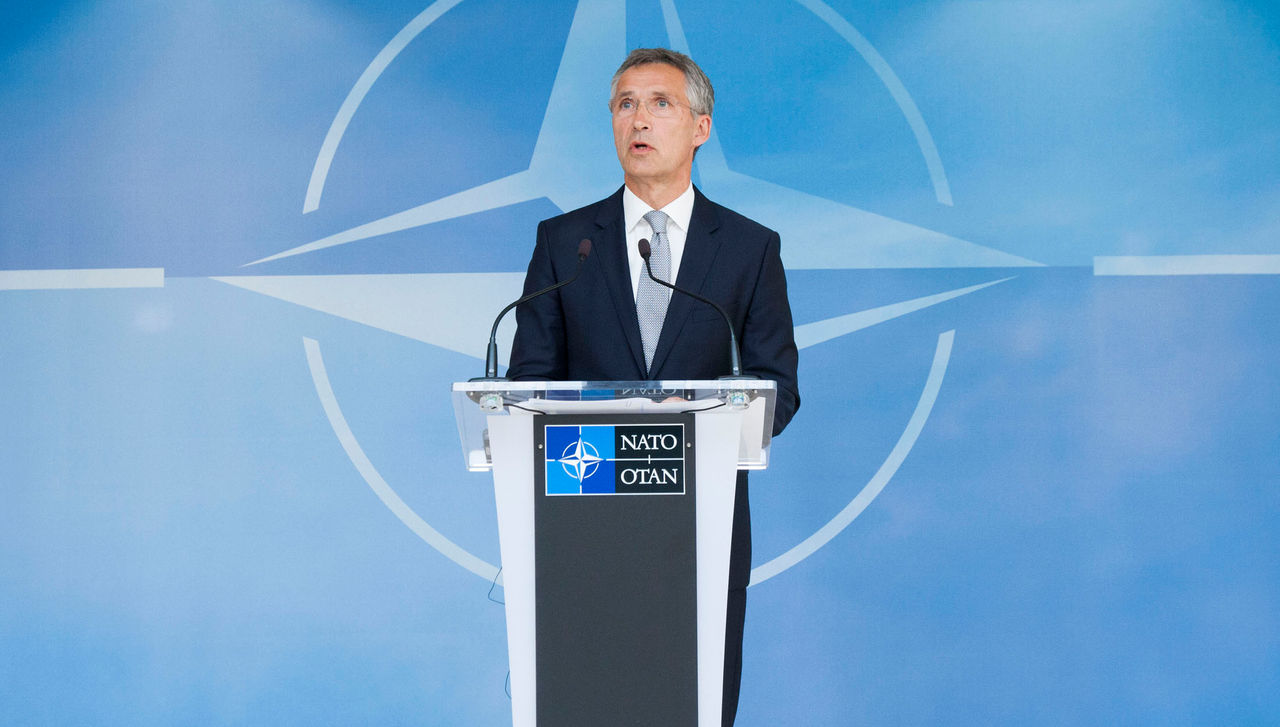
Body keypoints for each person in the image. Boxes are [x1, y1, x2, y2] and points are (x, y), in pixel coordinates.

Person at [507, 47, 800, 726]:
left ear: (700, 127)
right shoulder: (565, 243)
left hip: (702, 530)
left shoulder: (749, 248)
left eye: (660, 103)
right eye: (625, 104)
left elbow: (777, 385)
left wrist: (701, 425)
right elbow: (529, 383)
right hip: (580, 526)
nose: (638, 119)